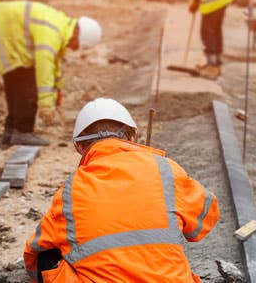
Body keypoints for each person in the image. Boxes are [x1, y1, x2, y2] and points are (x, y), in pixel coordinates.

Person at [23, 98, 220, 282]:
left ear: (80, 148)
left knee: (48, 255)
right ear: (133, 136)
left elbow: (34, 252)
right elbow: (203, 221)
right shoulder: (166, 170)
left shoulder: (69, 192)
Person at [0, 1, 101, 146]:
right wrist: (46, 104)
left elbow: (54, 65)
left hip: (4, 32)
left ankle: (11, 131)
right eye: (79, 45)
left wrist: (56, 91)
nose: (75, 49)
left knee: (16, 82)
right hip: (3, 32)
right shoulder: (52, 32)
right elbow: (44, 67)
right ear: (77, 33)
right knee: (28, 84)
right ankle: (22, 132)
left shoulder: (59, 26)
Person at [188, 0, 235, 80]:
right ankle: (217, 62)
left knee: (207, 31)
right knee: (216, 28)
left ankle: (212, 66)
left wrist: (196, 2)